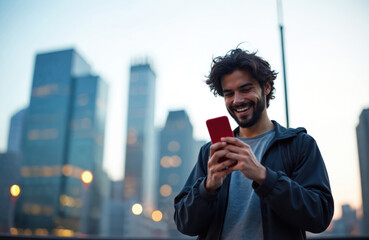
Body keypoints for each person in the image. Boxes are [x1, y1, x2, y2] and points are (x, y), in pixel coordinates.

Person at [173, 48, 334, 240]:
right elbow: (184, 224)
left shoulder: (299, 145)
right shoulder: (210, 151)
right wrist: (207, 188)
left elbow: (320, 216)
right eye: (229, 94)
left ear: (266, 87)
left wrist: (264, 177)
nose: (237, 100)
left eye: (245, 89)